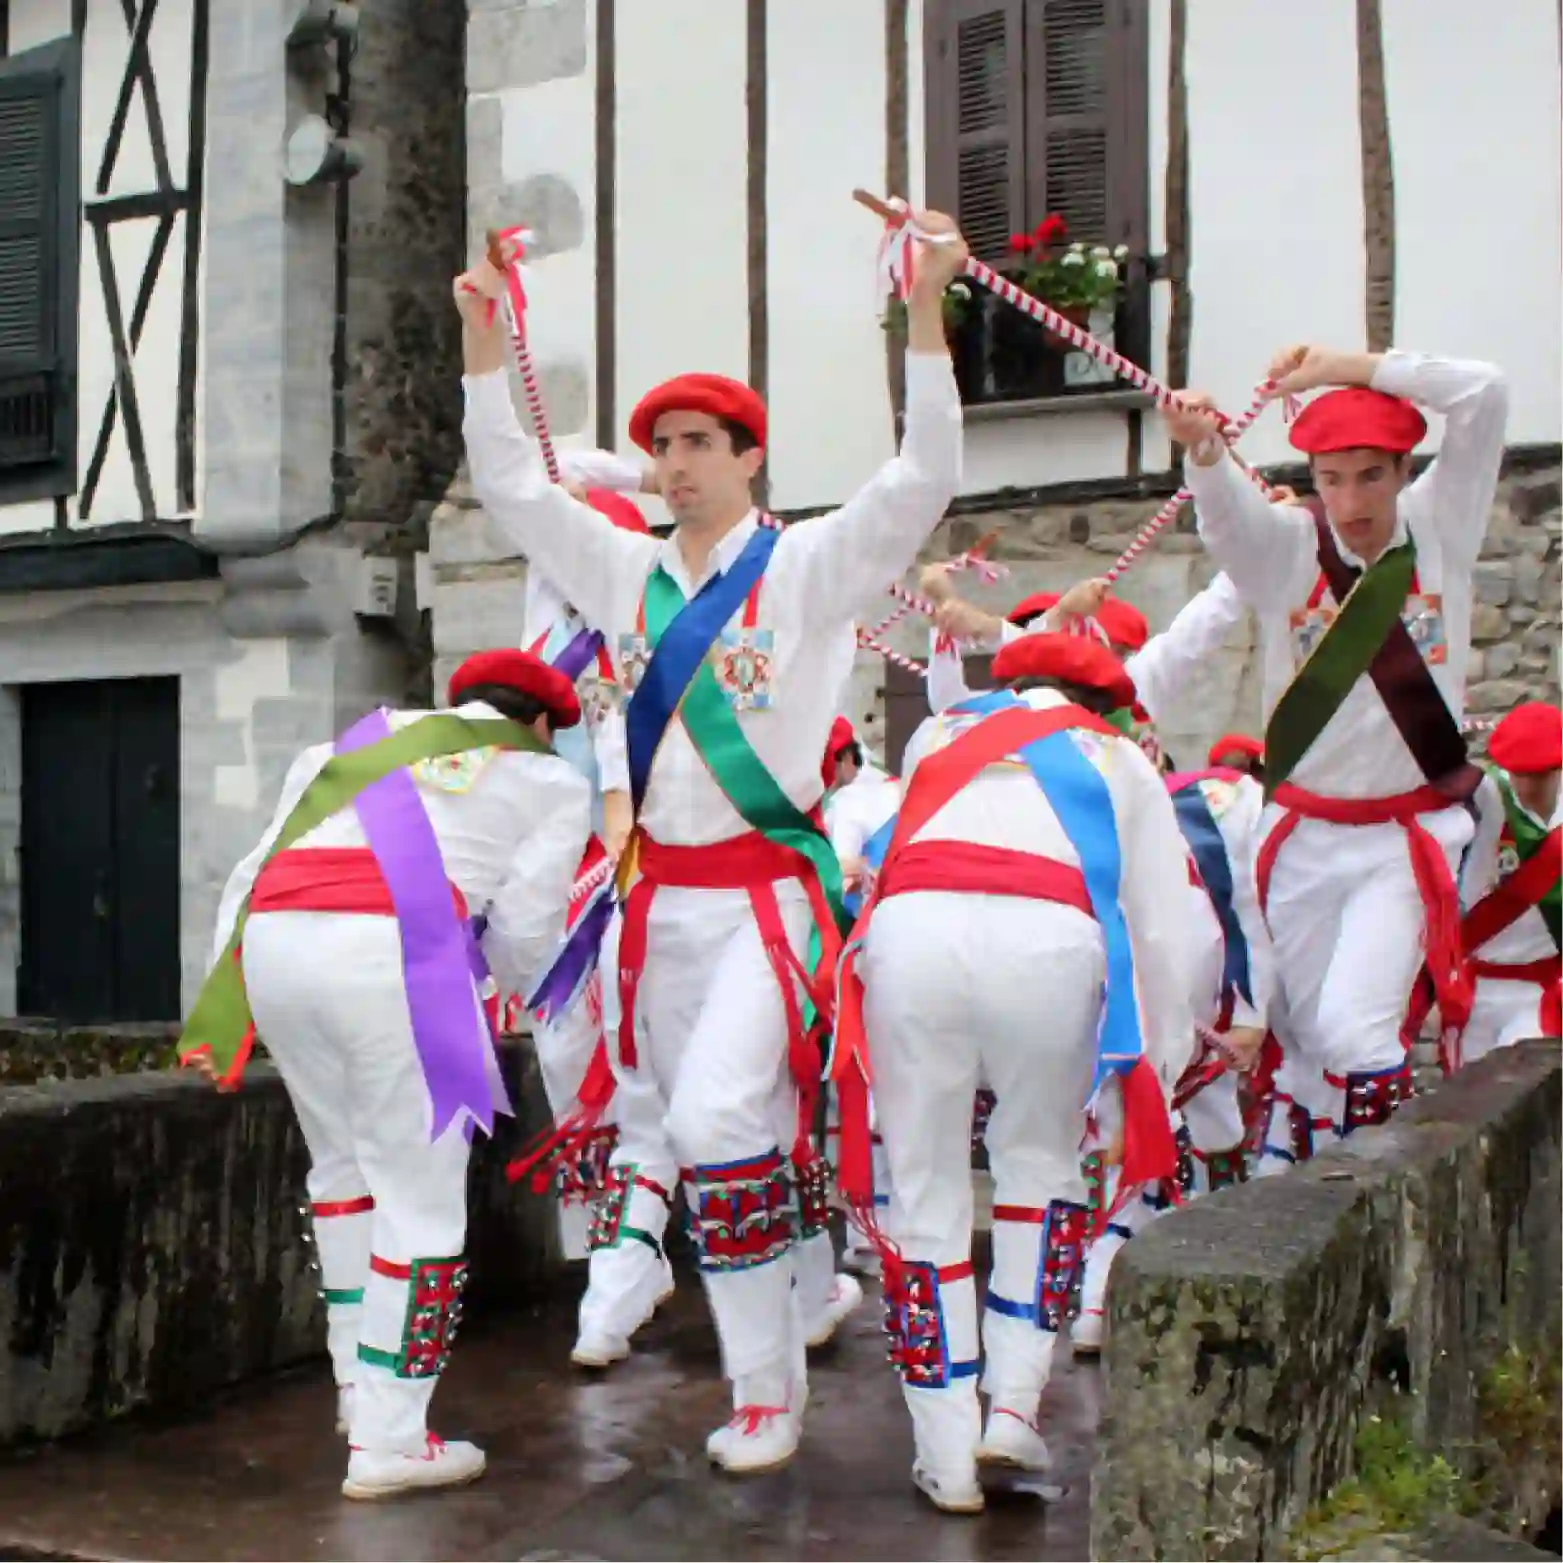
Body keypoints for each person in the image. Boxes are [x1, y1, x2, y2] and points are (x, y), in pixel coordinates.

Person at [455, 211, 968, 1474]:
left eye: (697, 445)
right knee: (706, 1135)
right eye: (661, 446)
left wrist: (926, 310)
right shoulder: (621, 568)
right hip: (657, 905)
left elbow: (922, 480)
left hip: (767, 897)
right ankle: (772, 1362)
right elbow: (514, 484)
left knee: (723, 1110)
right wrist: (480, 350)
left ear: (750, 456)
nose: (673, 465)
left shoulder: (808, 570)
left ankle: (763, 1393)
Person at [180, 651, 591, 1498]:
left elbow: (248, 875)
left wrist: (228, 995)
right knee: (421, 1195)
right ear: (541, 724)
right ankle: (390, 1436)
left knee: (339, 1172)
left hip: (278, 945)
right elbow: (526, 929)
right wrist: (520, 991)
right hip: (393, 951)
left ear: (458, 702)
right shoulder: (545, 778)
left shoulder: (342, 747)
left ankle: (354, 1391)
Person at [835, 633, 1192, 1512]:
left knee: (924, 1187)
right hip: (1047, 941)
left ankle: (944, 1448)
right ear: (1104, 704)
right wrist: (1157, 1073)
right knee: (1037, 1166)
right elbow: (1161, 930)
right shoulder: (1120, 759)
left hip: (914, 936)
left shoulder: (939, 732)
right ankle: (1014, 1407)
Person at [1164, 342, 1507, 1147]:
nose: (1350, 500)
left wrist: (1345, 368)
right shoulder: (1286, 546)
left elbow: (1484, 390)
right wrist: (1204, 450)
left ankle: (1372, 1211)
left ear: (1401, 469)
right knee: (1309, 1045)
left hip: (1401, 841)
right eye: (1329, 478)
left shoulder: (1441, 523)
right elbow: (1226, 522)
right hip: (1302, 841)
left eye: (1370, 475)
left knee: (1358, 1035)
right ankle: (1311, 1205)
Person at [508, 481, 682, 1369]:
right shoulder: (542, 630)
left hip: (633, 880)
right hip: (557, 890)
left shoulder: (642, 647)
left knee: (655, 1081)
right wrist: (630, 477)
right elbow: (543, 474)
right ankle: (607, 1269)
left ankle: (633, 1270)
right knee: (573, 1075)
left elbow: (632, 786)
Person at [1071, 760, 1273, 1353]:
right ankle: (1200, 1280)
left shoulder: (1122, 791)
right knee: (1185, 1131)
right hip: (1183, 963)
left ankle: (1098, 1300)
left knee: (1128, 1141)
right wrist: (1253, 1016)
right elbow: (1250, 912)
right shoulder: (1243, 804)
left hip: (1108, 965)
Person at [1434, 702, 1560, 1062]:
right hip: (1475, 986)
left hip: (1540, 992)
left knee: (1524, 1091)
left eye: (1539, 775)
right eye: (1518, 772)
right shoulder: (1486, 795)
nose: (1525, 785)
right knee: (1467, 1103)